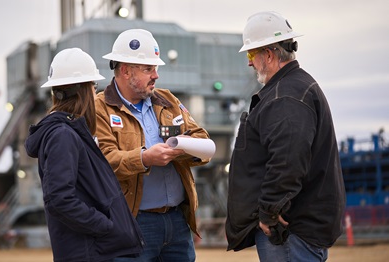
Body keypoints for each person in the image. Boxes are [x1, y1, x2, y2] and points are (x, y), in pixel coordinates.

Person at [225, 11, 346, 262]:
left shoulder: (285, 96)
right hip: (299, 229)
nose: (249, 63)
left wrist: (269, 211)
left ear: (268, 55)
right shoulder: (296, 87)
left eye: (251, 54)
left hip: (288, 231)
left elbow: (287, 160)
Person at [94, 29, 210, 261]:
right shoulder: (99, 109)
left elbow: (201, 139)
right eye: (148, 69)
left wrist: (183, 148)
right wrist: (145, 158)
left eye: (155, 68)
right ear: (125, 70)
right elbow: (103, 161)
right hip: (133, 222)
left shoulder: (168, 100)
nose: (156, 75)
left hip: (177, 221)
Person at [24, 48, 144, 262]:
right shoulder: (63, 135)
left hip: (90, 250)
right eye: (93, 85)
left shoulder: (70, 132)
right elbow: (59, 199)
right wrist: (106, 225)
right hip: (86, 252)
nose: (95, 92)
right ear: (84, 90)